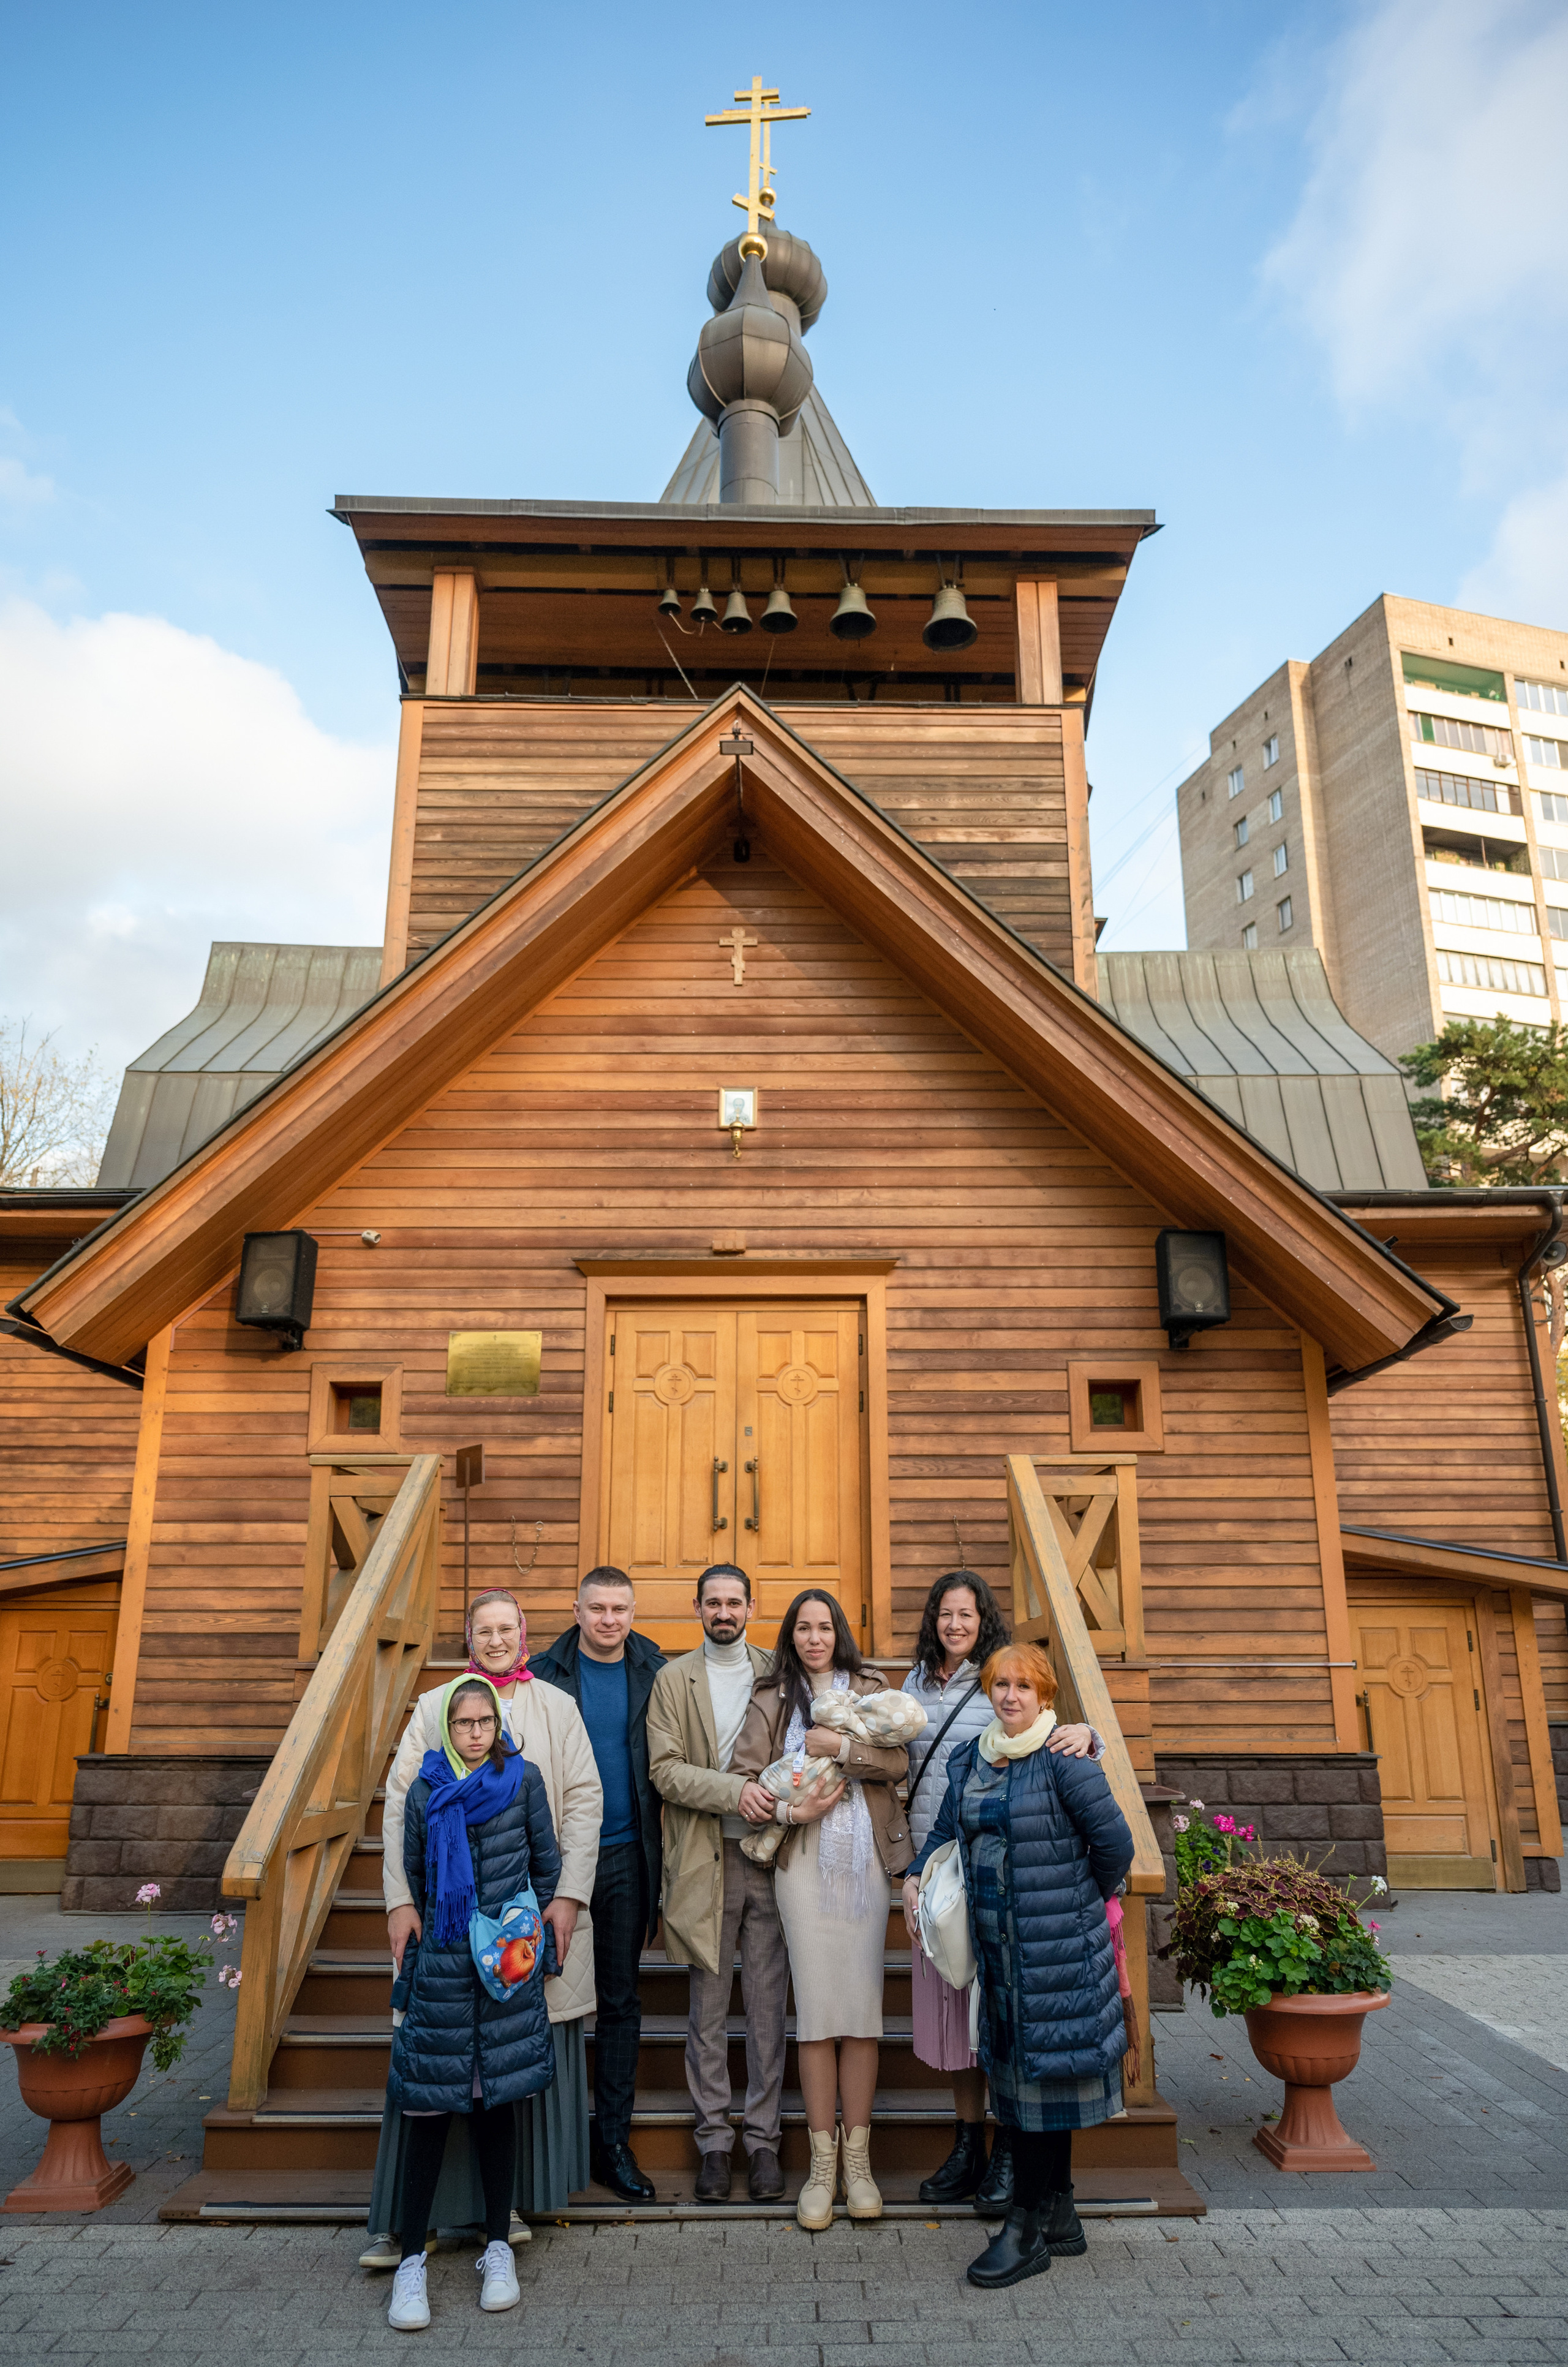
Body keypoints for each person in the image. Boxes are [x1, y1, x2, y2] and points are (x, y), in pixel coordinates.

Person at [366, 1590, 602, 2266]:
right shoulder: (435, 1706)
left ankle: (510, 2211)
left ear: (524, 1634)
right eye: (483, 1630)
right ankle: (424, 2220)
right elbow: (400, 1808)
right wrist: (398, 1902)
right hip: (441, 1929)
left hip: (518, 1920)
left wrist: (569, 1896)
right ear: (469, 1638)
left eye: (507, 1629)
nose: (496, 1639)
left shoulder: (556, 1707)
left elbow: (583, 1802)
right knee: (437, 2071)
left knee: (509, 2063)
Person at [903, 1642, 1133, 2292]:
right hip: (998, 1953)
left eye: (1022, 1686)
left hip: (1054, 1950)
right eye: (999, 1684)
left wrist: (1074, 1899)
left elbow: (1115, 1845)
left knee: (1040, 2089)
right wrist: (918, 1873)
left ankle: (1025, 2228)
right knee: (1031, 2082)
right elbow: (947, 1828)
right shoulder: (969, 1758)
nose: (1009, 1695)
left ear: (1044, 1696)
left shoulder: (1067, 1760)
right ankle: (1060, 2213)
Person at [901, 1571, 1102, 2210]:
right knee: (953, 2022)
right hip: (941, 1872)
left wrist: (1089, 1733)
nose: (954, 1625)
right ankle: (969, 2145)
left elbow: (1053, 1734)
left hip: (1009, 1880)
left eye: (966, 1614)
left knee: (1000, 2022)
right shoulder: (911, 1684)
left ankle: (1011, 2148)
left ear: (982, 1619)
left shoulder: (1005, 1677)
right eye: (944, 1614)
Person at [382, 1675, 562, 2332]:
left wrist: (523, 1933)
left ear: (499, 1727)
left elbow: (547, 1866)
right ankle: (409, 2262)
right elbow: (419, 1876)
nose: (476, 1733)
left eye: (486, 1722)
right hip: (445, 1971)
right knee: (429, 2112)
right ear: (447, 1731)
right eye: (464, 1724)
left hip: (505, 1971)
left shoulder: (524, 1781)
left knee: (496, 2107)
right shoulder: (428, 1789)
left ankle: (495, 2247)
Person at [731, 1589, 910, 2232]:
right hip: (801, 1868)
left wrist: (837, 1749)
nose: (814, 1637)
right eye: (803, 1628)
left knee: (860, 2010)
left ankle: (858, 2166)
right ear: (790, 1635)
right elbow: (744, 1779)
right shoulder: (770, 1693)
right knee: (815, 2012)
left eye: (824, 1626)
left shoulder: (869, 1686)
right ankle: (821, 2165)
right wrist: (788, 1808)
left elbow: (896, 1762)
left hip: (865, 1858)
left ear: (840, 1631)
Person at [645, 1563, 785, 2203]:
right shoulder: (673, 1679)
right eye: (712, 1603)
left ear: (752, 1607)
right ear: (697, 1608)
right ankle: (713, 2141)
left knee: (765, 2008)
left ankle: (761, 2142)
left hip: (773, 1860)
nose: (723, 1612)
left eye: (734, 1602)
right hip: (706, 1861)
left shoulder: (776, 1674)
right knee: (707, 2009)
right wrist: (738, 1792)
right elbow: (666, 1771)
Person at [529, 1566, 666, 2202]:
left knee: (618, 2001)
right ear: (575, 1609)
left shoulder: (655, 1670)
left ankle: (610, 2142)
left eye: (620, 1608)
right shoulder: (541, 1673)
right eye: (597, 1608)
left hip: (627, 1858)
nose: (609, 1619)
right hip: (552, 1865)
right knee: (548, 2002)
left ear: (633, 1611)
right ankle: (543, 2141)